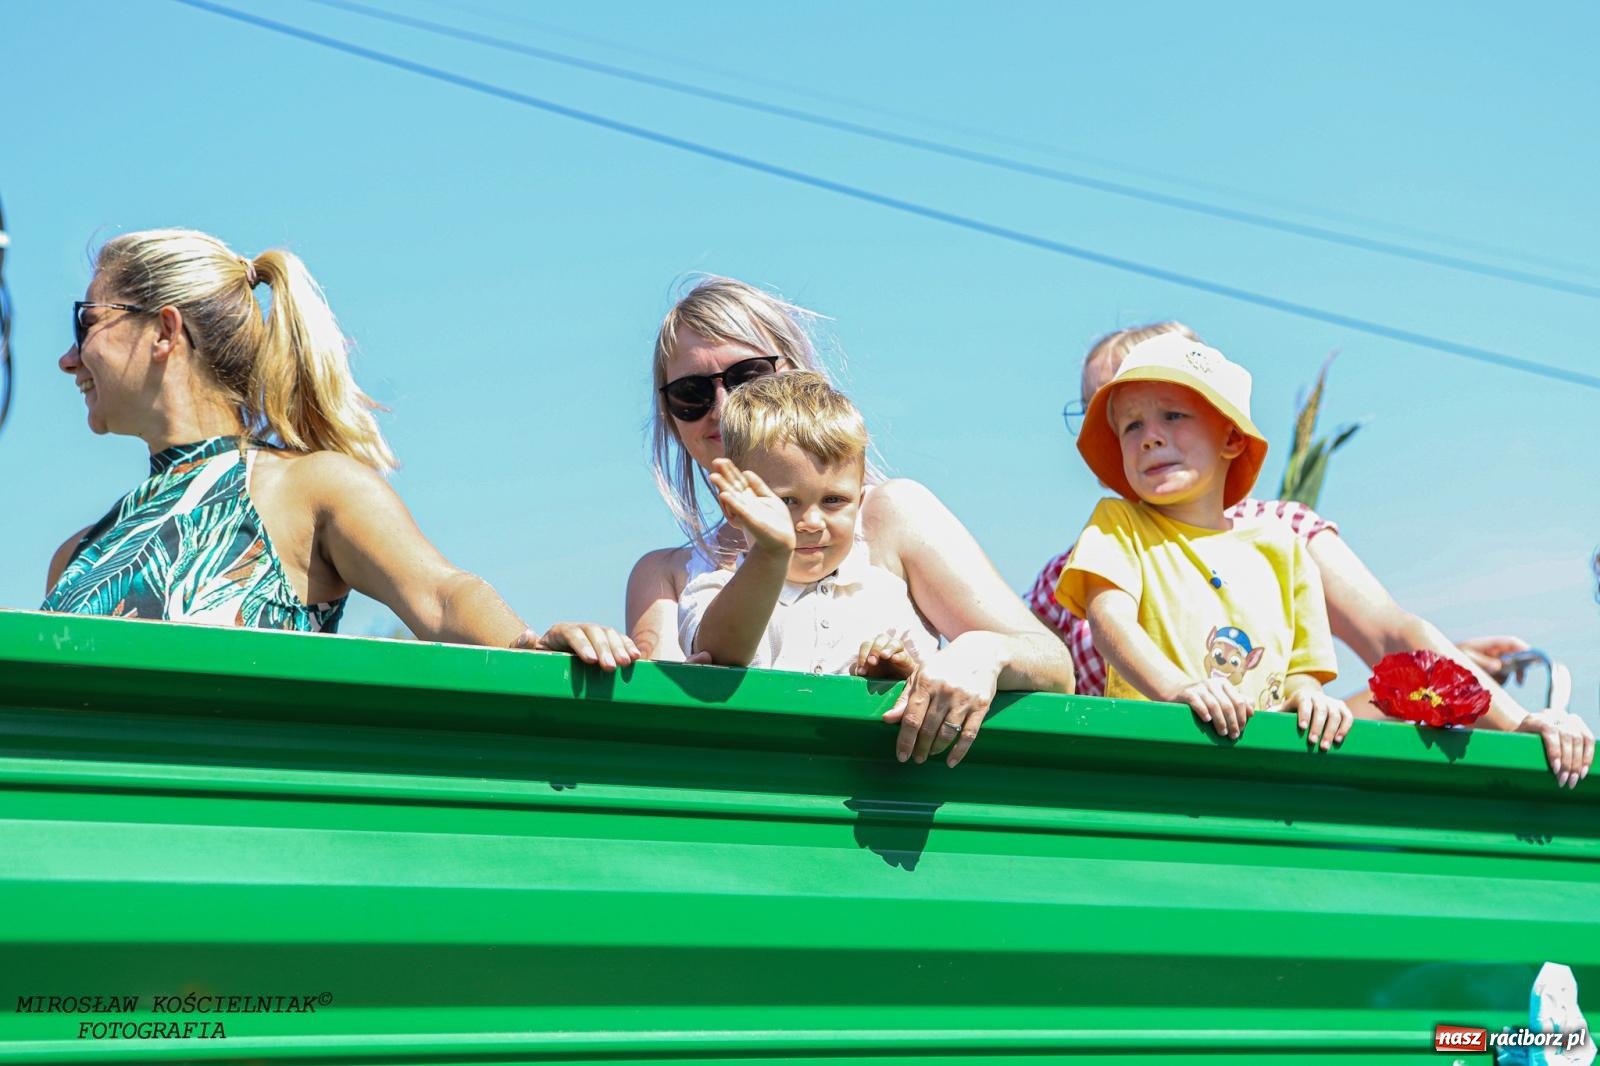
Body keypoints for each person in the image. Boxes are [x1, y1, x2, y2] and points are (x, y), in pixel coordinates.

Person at [1032, 321, 1594, 786]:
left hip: (1267, 778)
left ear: (1223, 425)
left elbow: (1391, 640)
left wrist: (1513, 720)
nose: (1147, 435)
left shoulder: (1280, 536)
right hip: (1146, 780)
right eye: (1118, 416)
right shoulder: (1087, 559)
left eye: (1171, 410)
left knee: (1397, 700)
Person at [46, 228, 636, 669]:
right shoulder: (74, 556)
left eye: (86, 324)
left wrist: (527, 647)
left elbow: (440, 595)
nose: (68, 359)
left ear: (165, 331)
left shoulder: (308, 489)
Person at [626, 276, 1074, 766]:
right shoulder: (665, 575)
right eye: (690, 394)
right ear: (670, 418)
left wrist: (980, 654)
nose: (723, 407)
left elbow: (1052, 664)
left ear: (797, 376)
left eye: (748, 376)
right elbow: (664, 729)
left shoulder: (890, 515)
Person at [1054, 332, 1353, 749]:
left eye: (1173, 416)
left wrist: (1308, 699)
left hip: (1257, 774)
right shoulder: (1117, 525)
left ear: (1231, 438)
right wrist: (1177, 688)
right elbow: (1110, 623)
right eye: (1132, 425)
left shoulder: (1283, 549)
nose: (1150, 437)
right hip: (1153, 762)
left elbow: (1303, 667)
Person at [680, 371, 936, 678]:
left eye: (833, 500)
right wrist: (771, 551)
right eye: (786, 502)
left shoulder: (885, 596)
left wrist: (899, 675)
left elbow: (933, 689)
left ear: (859, 502)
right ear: (735, 510)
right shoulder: (713, 591)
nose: (812, 523)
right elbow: (721, 653)